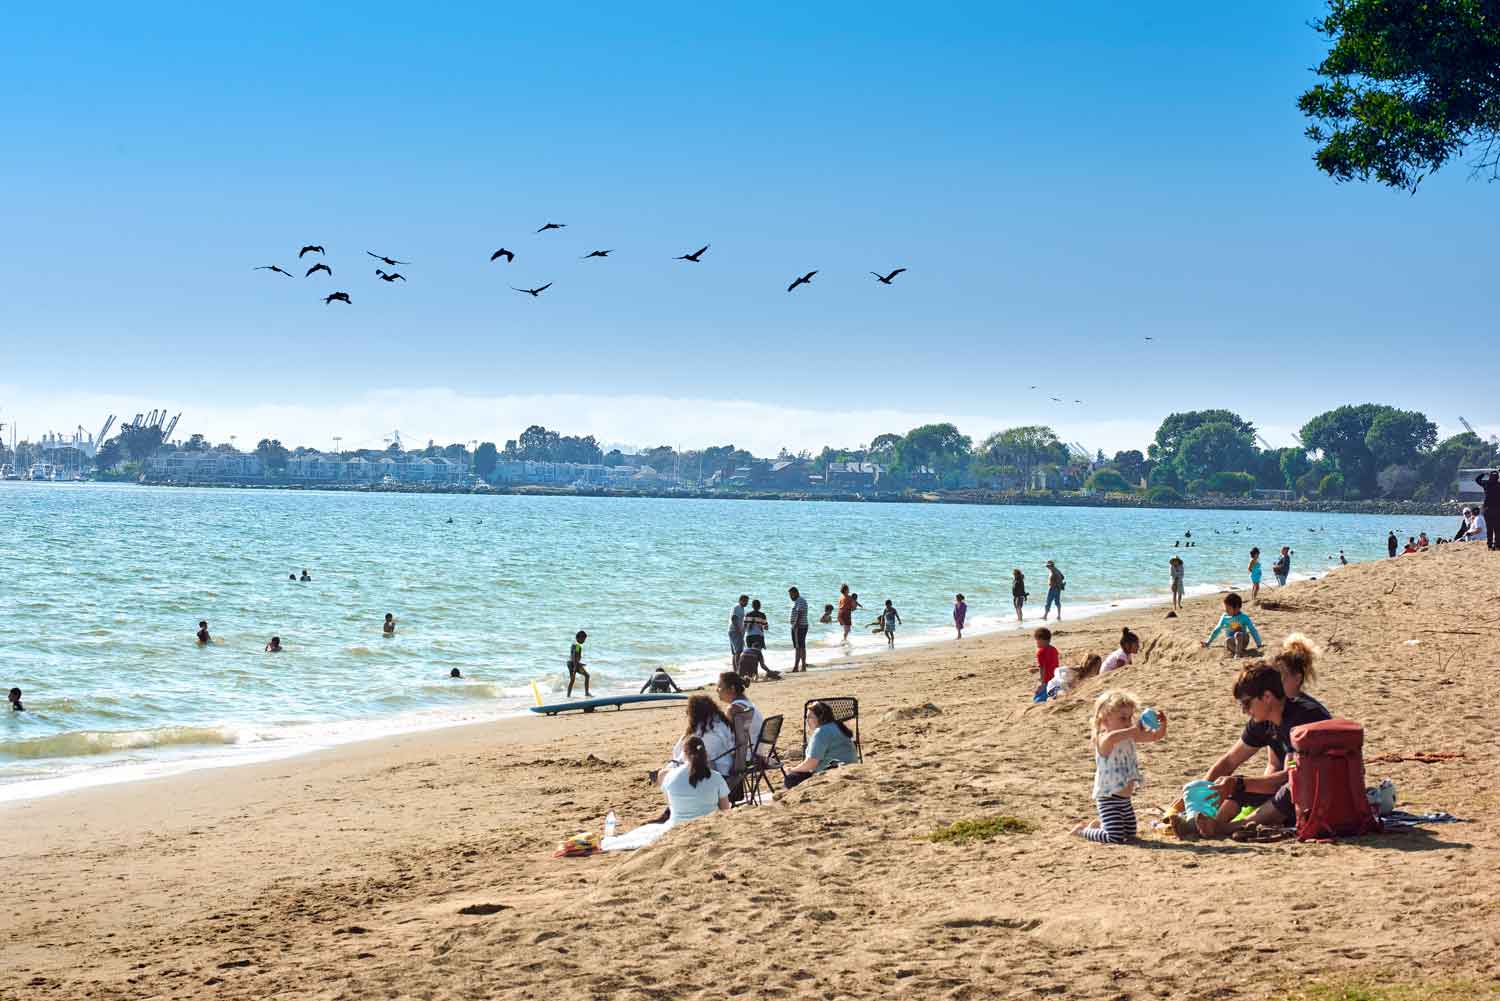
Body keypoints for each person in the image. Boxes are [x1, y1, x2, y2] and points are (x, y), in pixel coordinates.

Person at [1188, 661, 1332, 838]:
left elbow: (1292, 775)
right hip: (1295, 783)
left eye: (1247, 703)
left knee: (1286, 789)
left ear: (1267, 697)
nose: (1244, 711)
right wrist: (1197, 795)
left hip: (1322, 795)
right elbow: (1230, 761)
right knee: (1238, 785)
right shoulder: (1264, 721)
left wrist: (1238, 783)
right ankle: (1206, 823)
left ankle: (1223, 829)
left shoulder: (1303, 719)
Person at [1070, 690, 1167, 844]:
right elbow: (1114, 737)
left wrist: (1162, 725)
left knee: (1130, 834)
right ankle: (1082, 831)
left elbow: (1155, 736)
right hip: (1108, 798)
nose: (1128, 722)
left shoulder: (1129, 735)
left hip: (1125, 799)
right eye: (1122, 718)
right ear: (1104, 719)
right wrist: (1134, 729)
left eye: (1130, 718)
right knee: (1114, 837)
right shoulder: (1104, 739)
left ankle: (1099, 826)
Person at [603, 735, 731, 852]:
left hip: (677, 827)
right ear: (705, 753)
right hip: (708, 826)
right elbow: (725, 809)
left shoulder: (671, 776)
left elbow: (671, 804)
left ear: (684, 754)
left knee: (643, 833)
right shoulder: (716, 777)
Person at [783, 701, 858, 788]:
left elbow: (811, 763)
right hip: (850, 766)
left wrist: (792, 769)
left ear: (820, 718)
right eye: (806, 717)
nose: (807, 720)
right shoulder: (835, 725)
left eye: (810, 717)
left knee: (790, 779)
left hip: (837, 770)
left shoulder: (822, 732)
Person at [715, 671, 764, 767]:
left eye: (720, 687)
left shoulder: (734, 709)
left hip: (745, 756)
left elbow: (725, 736)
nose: (716, 690)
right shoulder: (748, 705)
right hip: (757, 752)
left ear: (732, 689)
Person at [1202, 593, 1262, 658]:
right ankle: (1240, 652)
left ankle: (1238, 653)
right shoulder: (1225, 617)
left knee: (1239, 634)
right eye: (1225, 608)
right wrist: (1208, 642)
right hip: (1232, 643)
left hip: (1242, 641)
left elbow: (1253, 630)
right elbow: (1217, 629)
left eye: (1228, 609)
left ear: (1237, 608)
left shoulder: (1244, 617)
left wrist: (1259, 644)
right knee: (1227, 641)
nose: (1226, 610)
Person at [1030, 626, 1059, 701]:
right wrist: (1036, 669)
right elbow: (1052, 664)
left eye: (1036, 640)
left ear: (1041, 640)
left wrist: (1042, 683)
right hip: (1056, 678)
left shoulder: (1040, 652)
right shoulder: (1054, 649)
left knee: (1036, 699)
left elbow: (1042, 668)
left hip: (1047, 680)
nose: (1036, 643)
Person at [788, 586, 809, 672]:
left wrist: (795, 624)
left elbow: (800, 612)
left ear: (795, 593)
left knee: (798, 647)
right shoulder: (800, 600)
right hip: (802, 625)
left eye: (791, 595)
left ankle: (796, 667)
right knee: (801, 646)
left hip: (799, 626)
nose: (790, 597)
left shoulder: (800, 600)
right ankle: (802, 666)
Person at [1477, 470, 1500, 550]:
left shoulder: (1486, 484)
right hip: (1498, 510)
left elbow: (1477, 480)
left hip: (1487, 510)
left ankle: (1489, 546)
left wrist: (1484, 473)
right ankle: (1497, 545)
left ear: (1490, 477)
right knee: (1498, 528)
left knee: (1489, 528)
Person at [566, 630, 591, 698]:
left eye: (584, 639)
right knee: (587, 676)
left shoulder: (574, 644)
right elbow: (574, 656)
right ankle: (586, 693)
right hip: (574, 664)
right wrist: (575, 668)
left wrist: (579, 663)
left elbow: (573, 656)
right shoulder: (577, 646)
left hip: (570, 663)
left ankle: (568, 695)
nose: (584, 641)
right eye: (583, 639)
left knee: (572, 680)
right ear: (578, 638)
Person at [728, 595, 748, 667]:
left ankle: (736, 669)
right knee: (738, 651)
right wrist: (738, 630)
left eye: (747, 601)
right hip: (735, 631)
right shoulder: (737, 607)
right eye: (745, 601)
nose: (746, 603)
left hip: (734, 631)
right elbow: (733, 618)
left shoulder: (741, 608)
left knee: (735, 652)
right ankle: (737, 669)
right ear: (740, 600)